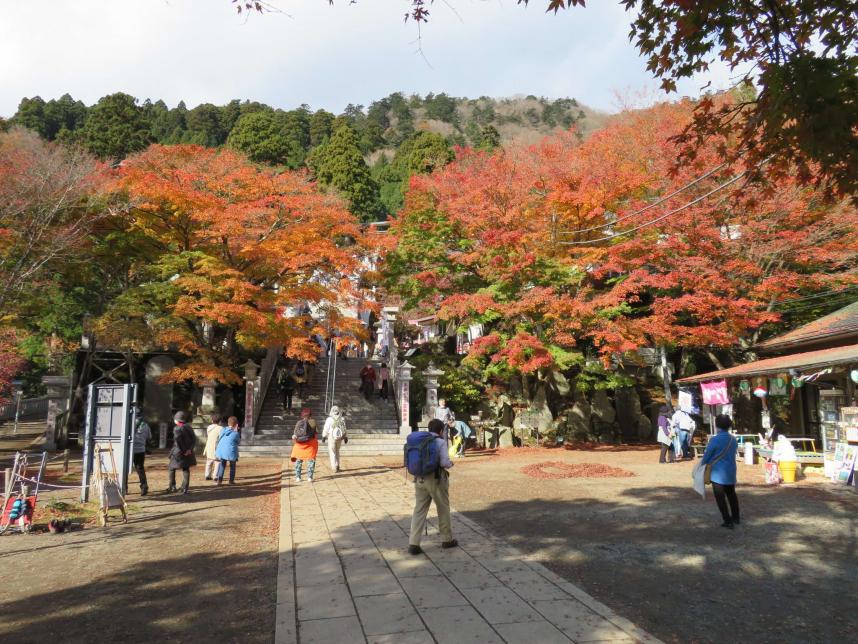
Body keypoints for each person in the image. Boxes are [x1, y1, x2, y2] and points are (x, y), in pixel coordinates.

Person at [408, 419, 458, 555]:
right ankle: (447, 539)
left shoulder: (420, 441)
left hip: (419, 478)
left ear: (429, 429)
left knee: (419, 510)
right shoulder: (441, 442)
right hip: (436, 479)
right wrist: (451, 464)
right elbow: (444, 463)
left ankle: (413, 543)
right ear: (441, 431)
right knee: (443, 507)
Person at [700, 414, 740, 529]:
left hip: (717, 474)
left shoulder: (715, 439)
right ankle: (736, 517)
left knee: (720, 498)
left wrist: (703, 465)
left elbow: (707, 456)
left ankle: (727, 520)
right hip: (730, 471)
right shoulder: (733, 439)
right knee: (732, 495)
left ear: (717, 425)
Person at [167, 411, 197, 495]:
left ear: (176, 420)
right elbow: (194, 439)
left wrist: (184, 451)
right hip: (188, 452)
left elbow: (178, 441)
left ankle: (172, 487)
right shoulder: (189, 427)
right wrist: (189, 450)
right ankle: (185, 488)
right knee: (185, 469)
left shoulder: (177, 428)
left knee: (171, 468)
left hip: (178, 452)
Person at [291, 408, 319, 483]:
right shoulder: (313, 422)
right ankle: (310, 477)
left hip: (299, 445)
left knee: (299, 460)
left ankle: (298, 477)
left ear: (302, 415)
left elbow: (295, 434)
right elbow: (316, 433)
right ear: (310, 415)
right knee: (311, 461)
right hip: (310, 445)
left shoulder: (299, 422)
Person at [215, 416, 241, 485]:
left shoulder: (223, 430)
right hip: (231, 452)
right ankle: (231, 481)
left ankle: (219, 481)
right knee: (232, 466)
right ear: (236, 424)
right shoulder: (235, 433)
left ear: (228, 423)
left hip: (221, 450)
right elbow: (238, 442)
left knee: (222, 465)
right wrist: (237, 431)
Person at [322, 405, 348, 473]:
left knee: (332, 451)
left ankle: (334, 467)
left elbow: (326, 428)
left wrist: (324, 436)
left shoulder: (329, 419)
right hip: (339, 437)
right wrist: (345, 437)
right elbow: (344, 428)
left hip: (331, 436)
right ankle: (337, 465)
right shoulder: (342, 418)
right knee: (337, 451)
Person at [132, 410, 151, 496]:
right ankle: (144, 487)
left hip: (130, 450)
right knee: (140, 469)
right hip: (140, 450)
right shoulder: (145, 425)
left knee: (124, 468)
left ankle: (124, 488)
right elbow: (149, 437)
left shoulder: (129, 423)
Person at [203, 414, 223, 480]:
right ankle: (215, 476)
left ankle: (207, 475)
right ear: (220, 421)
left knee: (209, 461)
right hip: (217, 447)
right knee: (217, 462)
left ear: (212, 420)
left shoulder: (209, 427)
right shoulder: (221, 428)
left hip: (209, 446)